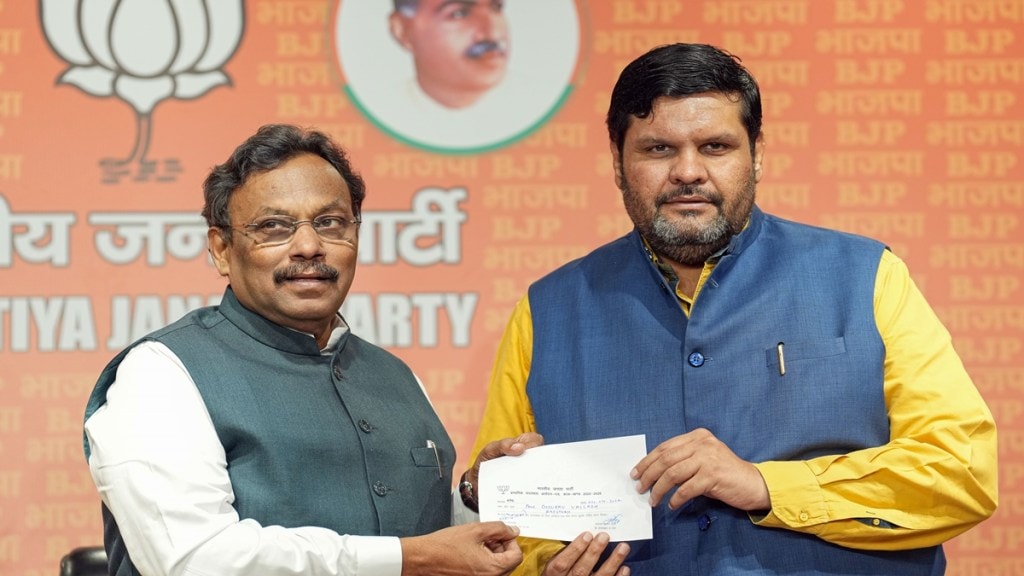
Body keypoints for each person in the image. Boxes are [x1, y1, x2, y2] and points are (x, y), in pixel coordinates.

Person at [458, 43, 999, 575]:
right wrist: (546, 565)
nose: (688, 171)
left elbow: (960, 472)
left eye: (715, 147)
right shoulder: (547, 308)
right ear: (618, 164)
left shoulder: (867, 276)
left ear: (757, 154)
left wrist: (765, 485)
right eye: (658, 149)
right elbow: (512, 529)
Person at [83, 124, 523, 576]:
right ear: (221, 250)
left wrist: (474, 496)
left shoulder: (395, 375)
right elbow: (196, 559)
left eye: (331, 223)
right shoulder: (162, 373)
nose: (310, 246)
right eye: (274, 227)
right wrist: (412, 558)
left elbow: (436, 545)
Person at [389, 0, 509, 109]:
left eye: (496, 8)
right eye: (460, 13)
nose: (493, 33)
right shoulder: (389, 109)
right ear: (402, 30)